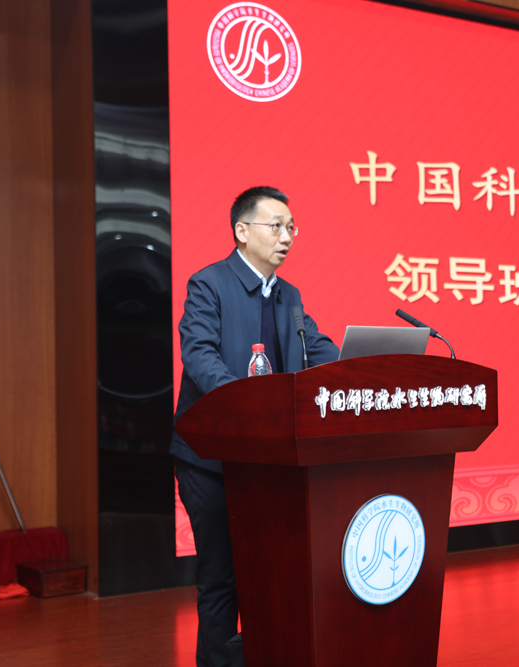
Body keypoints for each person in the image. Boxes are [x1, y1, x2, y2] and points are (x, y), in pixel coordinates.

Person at [171, 186, 339, 667]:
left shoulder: (289, 295)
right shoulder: (209, 284)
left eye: (292, 228)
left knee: (269, 576)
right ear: (242, 231)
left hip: (268, 460)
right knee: (222, 577)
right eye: (276, 226)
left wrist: (364, 368)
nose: (287, 237)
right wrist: (244, 402)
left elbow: (317, 349)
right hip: (210, 459)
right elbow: (199, 355)